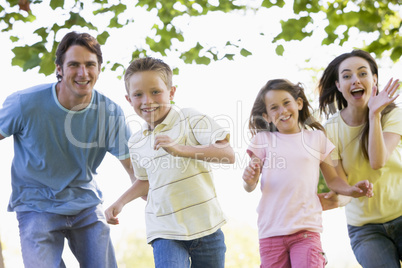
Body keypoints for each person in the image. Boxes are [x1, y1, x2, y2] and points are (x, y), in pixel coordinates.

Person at [0, 31, 134, 268]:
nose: (83, 73)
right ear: (59, 68)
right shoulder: (24, 103)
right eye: (74, 65)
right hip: (35, 204)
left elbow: (134, 169)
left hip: (85, 204)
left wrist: (149, 193)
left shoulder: (109, 112)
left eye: (90, 65)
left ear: (99, 68)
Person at [105, 57, 235, 268]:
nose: (147, 100)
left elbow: (227, 154)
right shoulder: (136, 142)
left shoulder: (190, 119)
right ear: (129, 99)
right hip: (164, 230)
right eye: (138, 94)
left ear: (171, 92)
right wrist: (120, 202)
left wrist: (179, 149)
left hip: (207, 226)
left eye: (155, 91)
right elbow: (146, 181)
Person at [242, 79, 374, 268]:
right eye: (274, 108)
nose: (282, 111)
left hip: (306, 229)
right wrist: (250, 179)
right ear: (267, 116)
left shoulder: (316, 139)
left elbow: (334, 179)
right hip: (271, 232)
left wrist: (351, 190)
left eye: (286, 103)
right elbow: (250, 185)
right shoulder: (262, 140)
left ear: (299, 103)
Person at [318, 49, 402, 268]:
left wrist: (374, 114)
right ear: (338, 85)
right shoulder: (330, 130)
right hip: (365, 228)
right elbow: (342, 186)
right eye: (346, 76)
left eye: (362, 73)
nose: (355, 80)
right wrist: (340, 197)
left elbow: (378, 161)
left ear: (374, 79)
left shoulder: (392, 115)